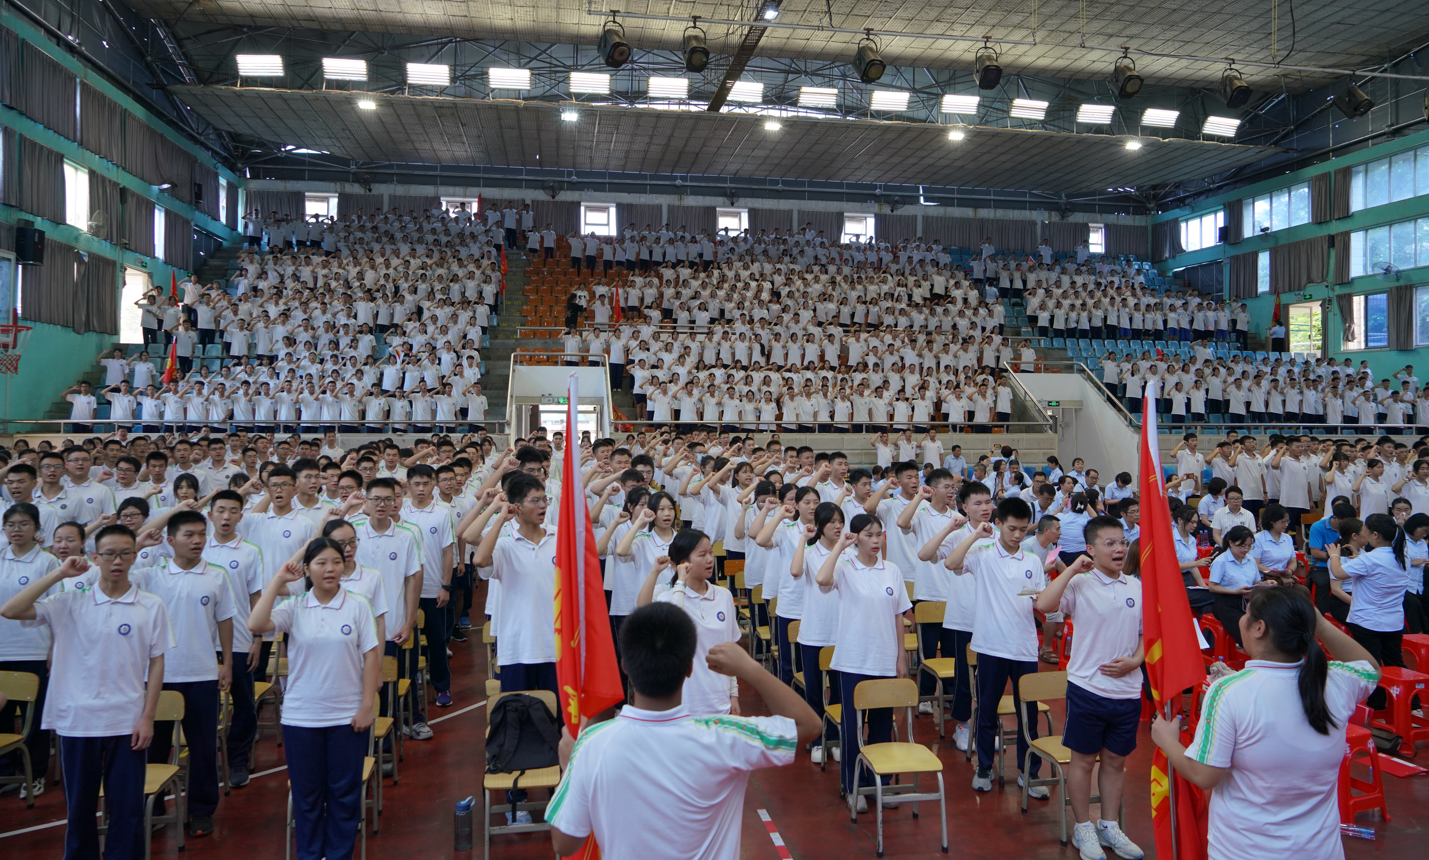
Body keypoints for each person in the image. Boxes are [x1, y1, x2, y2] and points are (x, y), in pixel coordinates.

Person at [546, 602, 820, 860]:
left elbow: (565, 842)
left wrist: (569, 765)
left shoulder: (592, 744)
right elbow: (809, 726)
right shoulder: (726, 736)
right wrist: (749, 667)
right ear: (690, 667)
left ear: (625, 667)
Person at [1150, 588, 1379, 860]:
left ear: (1259, 627)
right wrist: (1323, 626)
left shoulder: (1228, 691)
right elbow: (1370, 669)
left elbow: (1205, 775)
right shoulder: (1335, 682)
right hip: (1320, 851)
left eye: (1246, 613)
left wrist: (1167, 741)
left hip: (1244, 851)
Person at [0, 524, 172, 860]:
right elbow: (10, 610)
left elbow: (157, 665)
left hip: (128, 722)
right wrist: (59, 573)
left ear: (135, 557)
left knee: (128, 809)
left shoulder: (151, 606)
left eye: (125, 553)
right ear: (95, 558)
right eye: (109, 554)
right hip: (77, 721)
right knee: (79, 810)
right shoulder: (68, 602)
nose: (117, 561)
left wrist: (148, 717)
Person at [248, 538, 380, 860]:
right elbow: (256, 623)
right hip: (301, 718)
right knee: (306, 796)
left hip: (347, 718)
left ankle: (338, 855)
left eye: (336, 561)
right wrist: (279, 579)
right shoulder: (294, 607)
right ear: (306, 569)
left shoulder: (358, 605)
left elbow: (372, 658)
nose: (330, 568)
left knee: (344, 796)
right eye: (321, 562)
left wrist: (366, 707)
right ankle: (309, 855)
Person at [1035, 517, 1145, 860]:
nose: (1119, 549)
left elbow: (1146, 635)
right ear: (1091, 549)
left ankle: (1109, 826)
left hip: (1127, 690)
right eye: (1109, 543)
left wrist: (1135, 661)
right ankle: (1084, 827)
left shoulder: (1136, 586)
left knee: (1115, 761)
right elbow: (1044, 605)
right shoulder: (1080, 584)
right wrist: (1070, 571)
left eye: (1122, 542)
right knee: (1082, 762)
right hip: (1088, 688)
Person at [128, 510, 235, 835]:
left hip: (202, 674)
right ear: (171, 540)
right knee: (153, 746)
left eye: (202, 534)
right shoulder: (151, 575)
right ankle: (153, 805)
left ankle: (201, 810)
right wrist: (136, 543)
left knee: (203, 748)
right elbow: (111, 569)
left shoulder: (216, 575)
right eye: (189, 535)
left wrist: (227, 662)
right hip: (158, 676)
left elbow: (225, 620)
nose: (198, 540)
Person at [940, 497, 1045, 794]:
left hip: (1024, 648)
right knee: (987, 710)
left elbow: (1042, 599)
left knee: (1029, 714)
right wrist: (975, 534)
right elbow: (951, 563)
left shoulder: (1032, 561)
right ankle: (984, 767)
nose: (1017, 535)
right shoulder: (982, 553)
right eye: (1011, 528)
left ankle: (1029, 772)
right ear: (998, 524)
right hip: (990, 647)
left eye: (1023, 530)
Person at [816, 514, 910, 805]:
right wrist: (839, 547)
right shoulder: (844, 567)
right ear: (855, 537)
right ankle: (853, 785)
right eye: (869, 535)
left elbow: (898, 616)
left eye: (879, 535)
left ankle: (880, 784)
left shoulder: (891, 570)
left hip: (884, 659)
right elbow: (822, 579)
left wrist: (901, 656)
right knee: (853, 727)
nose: (876, 540)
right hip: (853, 660)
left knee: (882, 726)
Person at [635, 528, 740, 717]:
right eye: (702, 554)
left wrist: (734, 694)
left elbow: (729, 648)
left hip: (720, 702)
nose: (710, 559)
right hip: (684, 704)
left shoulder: (724, 596)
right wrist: (679, 582)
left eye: (711, 552)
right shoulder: (668, 598)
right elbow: (675, 630)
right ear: (682, 564)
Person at [0, 504, 60, 800]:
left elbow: (55, 611)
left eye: (24, 523)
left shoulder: (47, 563)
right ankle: (6, 770)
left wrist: (54, 648)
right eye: (10, 524)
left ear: (37, 529)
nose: (16, 529)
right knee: (2, 716)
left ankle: (34, 773)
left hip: (35, 650)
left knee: (33, 720)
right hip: (2, 650)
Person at [1327, 513, 1409, 708]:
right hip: (1393, 622)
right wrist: (1358, 558)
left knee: (1369, 666)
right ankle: (1408, 704)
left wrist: (1334, 556)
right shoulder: (1401, 557)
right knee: (1394, 662)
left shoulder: (1370, 559)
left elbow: (1338, 572)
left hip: (1368, 621)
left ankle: (1376, 704)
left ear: (1375, 535)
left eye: (1365, 530)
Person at [1206, 525, 1265, 646]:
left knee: (1266, 623)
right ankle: (1251, 649)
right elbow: (1212, 587)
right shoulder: (1221, 561)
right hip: (1227, 602)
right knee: (1245, 627)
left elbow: (1256, 582)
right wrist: (1234, 592)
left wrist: (1266, 584)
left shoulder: (1250, 560)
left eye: (1249, 546)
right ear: (1231, 543)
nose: (1246, 549)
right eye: (1242, 546)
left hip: (1248, 600)